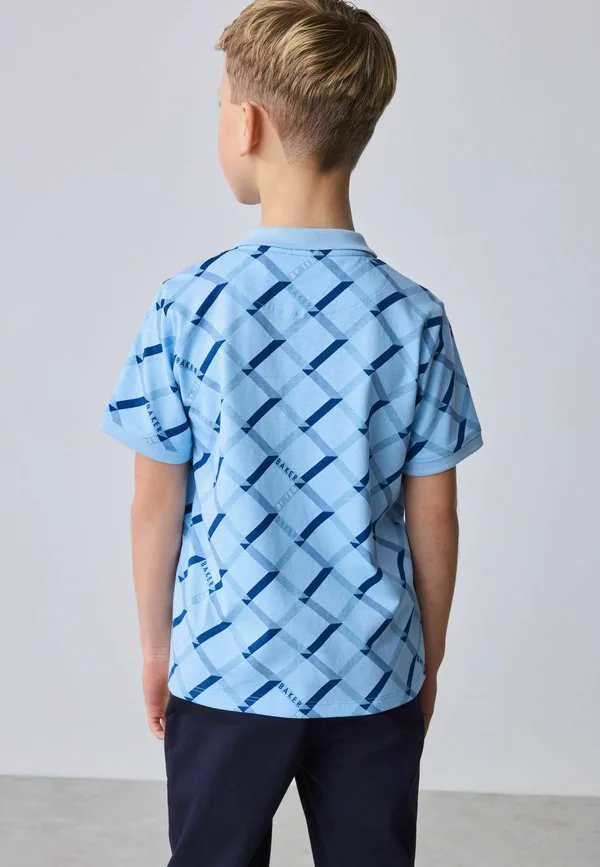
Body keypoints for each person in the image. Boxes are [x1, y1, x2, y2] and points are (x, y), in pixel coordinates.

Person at [99, 1, 484, 864]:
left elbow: (153, 503)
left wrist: (158, 649)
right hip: (371, 673)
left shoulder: (189, 305)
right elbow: (436, 515)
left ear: (246, 124)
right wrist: (425, 660)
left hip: (225, 667)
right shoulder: (415, 317)